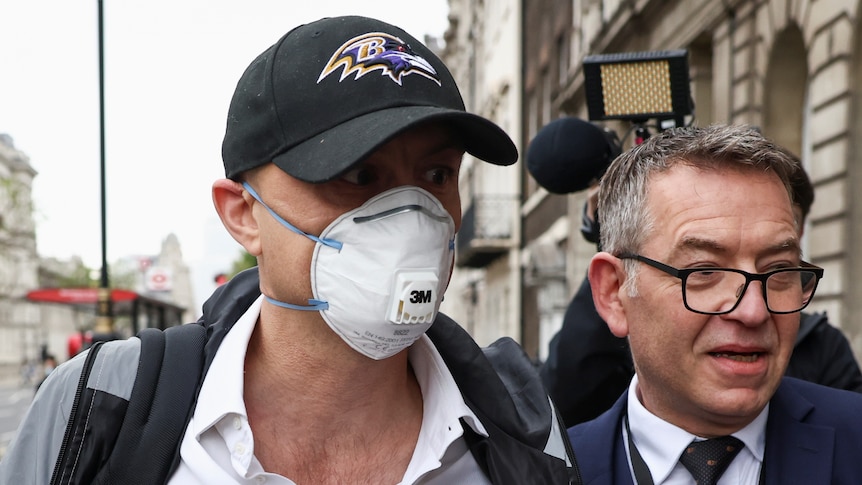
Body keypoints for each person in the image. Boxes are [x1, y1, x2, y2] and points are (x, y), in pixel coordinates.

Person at [0, 16, 578, 484]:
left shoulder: (519, 421)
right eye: (356, 174)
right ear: (243, 213)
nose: (410, 215)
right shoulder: (100, 405)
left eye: (436, 173)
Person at [567, 124, 862, 484]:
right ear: (614, 292)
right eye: (704, 270)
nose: (753, 311)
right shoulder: (545, 472)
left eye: (779, 269)